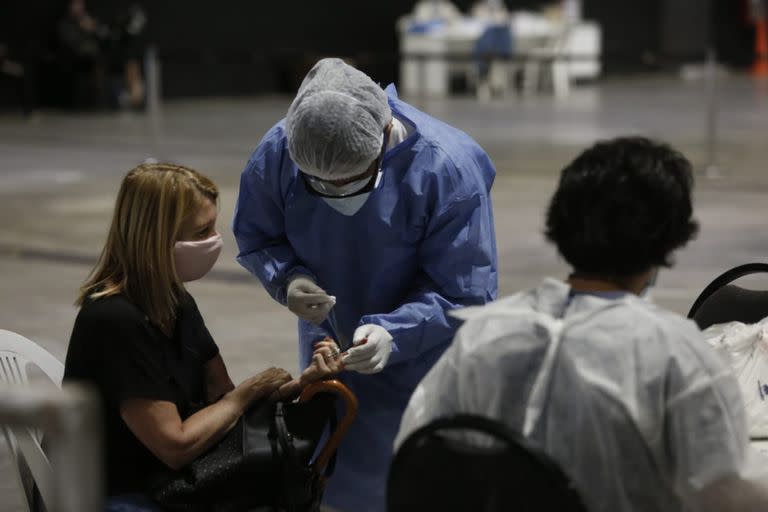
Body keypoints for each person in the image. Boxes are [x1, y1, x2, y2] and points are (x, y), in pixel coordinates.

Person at [395, 137, 768, 512]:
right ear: (667, 242)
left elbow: (417, 452)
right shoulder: (677, 356)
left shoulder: (484, 335)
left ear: (560, 223)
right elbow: (723, 497)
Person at [233, 57, 498, 511]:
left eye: (351, 182)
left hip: (425, 358)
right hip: (330, 350)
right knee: (333, 467)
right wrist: (288, 279)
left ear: (382, 138)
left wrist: (394, 333)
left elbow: (464, 290)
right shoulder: (283, 149)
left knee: (416, 482)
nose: (336, 193)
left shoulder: (447, 169)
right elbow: (259, 235)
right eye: (320, 184)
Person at [64, 163, 343, 511]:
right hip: (120, 492)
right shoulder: (115, 320)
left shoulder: (175, 302)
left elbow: (224, 402)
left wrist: (304, 384)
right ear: (156, 238)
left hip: (175, 481)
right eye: (201, 232)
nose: (213, 242)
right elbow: (176, 445)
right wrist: (249, 391)